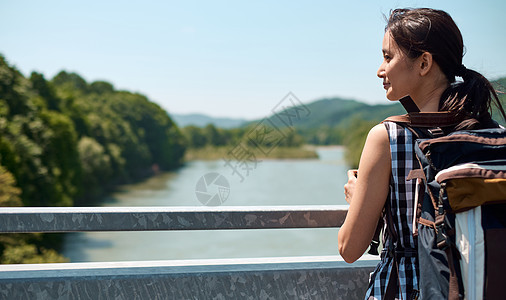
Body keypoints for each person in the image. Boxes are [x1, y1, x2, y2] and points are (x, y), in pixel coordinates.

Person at [337, 8, 506, 300]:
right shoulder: (494, 135)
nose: (380, 69)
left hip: (406, 290)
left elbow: (349, 248)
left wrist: (359, 200)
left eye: (388, 57)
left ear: (424, 62)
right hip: (477, 283)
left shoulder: (387, 138)